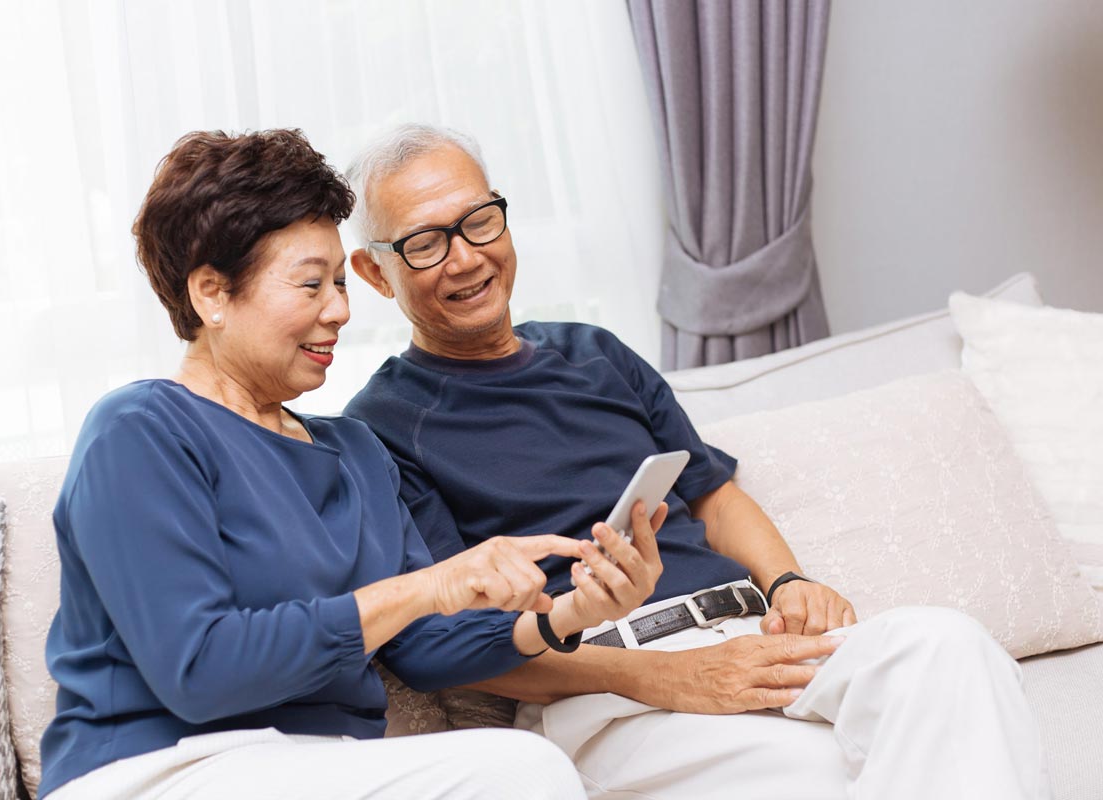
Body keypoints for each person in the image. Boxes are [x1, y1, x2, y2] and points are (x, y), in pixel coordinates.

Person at [342, 123, 1051, 799]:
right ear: (375, 272)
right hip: (610, 698)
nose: (466, 257)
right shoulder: (380, 429)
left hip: (752, 634)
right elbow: (440, 645)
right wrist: (665, 676)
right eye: (425, 244)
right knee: (859, 773)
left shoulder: (597, 353)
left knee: (950, 648)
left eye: (478, 221)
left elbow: (712, 495)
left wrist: (788, 581)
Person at [38, 129, 667, 800]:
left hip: (321, 767)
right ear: (212, 294)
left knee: (521, 763)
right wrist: (429, 587)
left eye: (339, 282)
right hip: (158, 770)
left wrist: (568, 613)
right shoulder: (140, 431)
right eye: (310, 285)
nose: (339, 310)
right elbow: (200, 669)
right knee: (526, 771)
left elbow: (426, 649)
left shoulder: (356, 453)